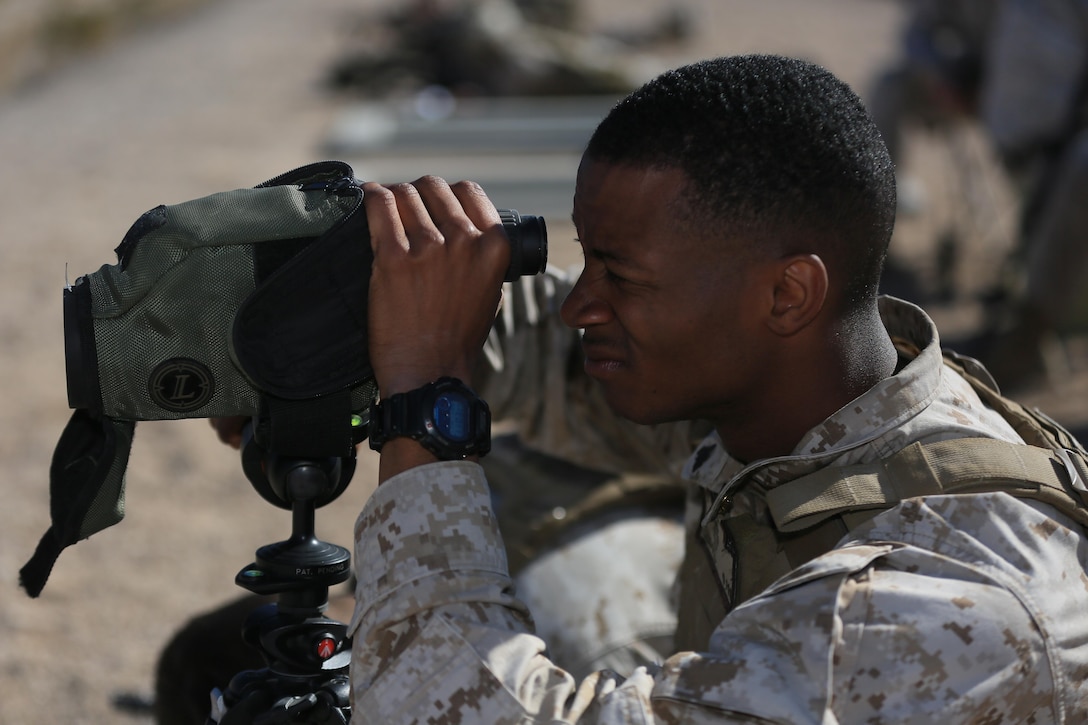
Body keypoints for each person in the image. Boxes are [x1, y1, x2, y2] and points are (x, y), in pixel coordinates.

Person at [343, 53, 1088, 722]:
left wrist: (424, 399)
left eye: (621, 276)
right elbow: (547, 352)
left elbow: (434, 705)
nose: (581, 305)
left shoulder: (928, 606)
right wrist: (331, 333)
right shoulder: (800, 403)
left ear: (788, 294)